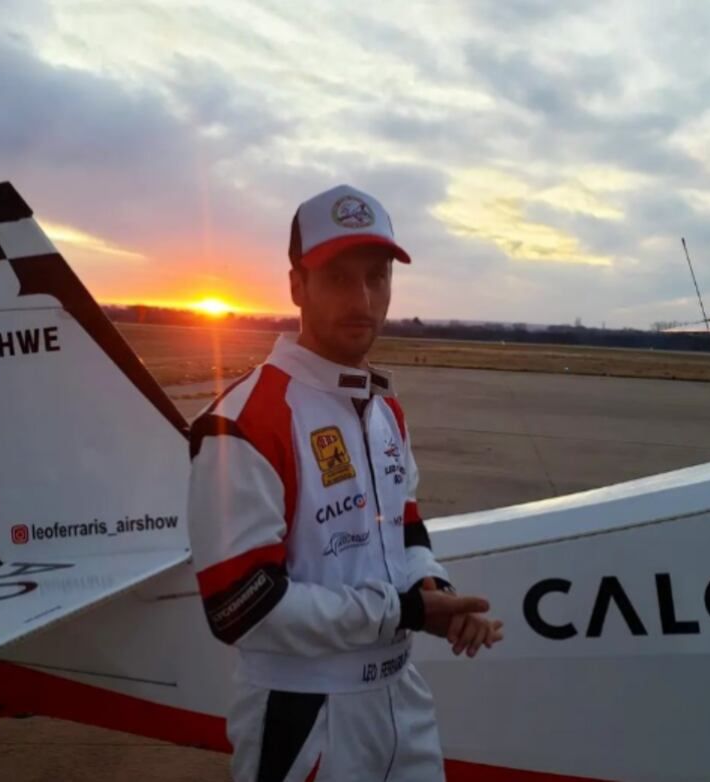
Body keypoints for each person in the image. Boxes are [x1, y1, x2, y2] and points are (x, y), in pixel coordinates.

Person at [187, 184, 503, 781]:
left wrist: (435, 591)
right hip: (303, 714)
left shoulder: (384, 410)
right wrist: (407, 609)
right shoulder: (245, 420)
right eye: (337, 277)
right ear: (296, 286)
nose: (363, 298)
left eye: (377, 276)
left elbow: (403, 523)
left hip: (402, 700)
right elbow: (238, 607)